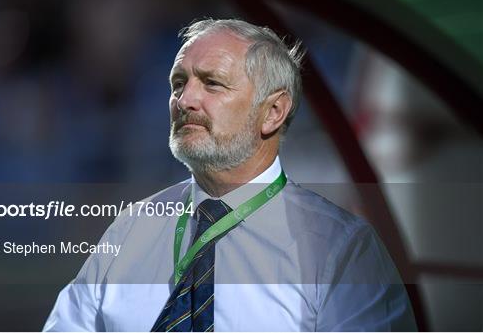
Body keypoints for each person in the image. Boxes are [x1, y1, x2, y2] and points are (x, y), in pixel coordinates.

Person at [43, 19, 417, 331]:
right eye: (178, 83)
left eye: (212, 83)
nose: (185, 100)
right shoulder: (130, 230)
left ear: (273, 112)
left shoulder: (340, 249)